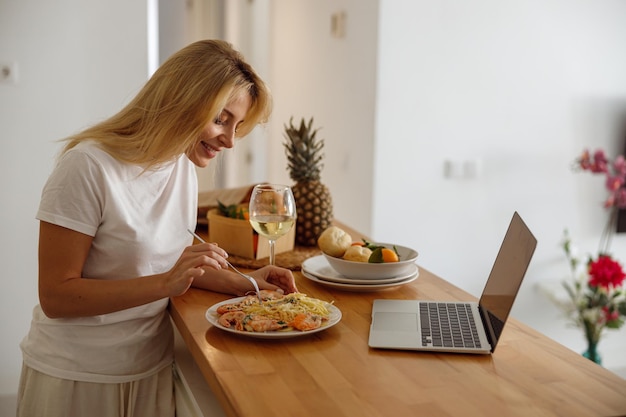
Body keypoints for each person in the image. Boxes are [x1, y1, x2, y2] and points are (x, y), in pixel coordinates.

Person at [17, 39, 298, 417]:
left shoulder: (181, 166)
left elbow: (166, 265)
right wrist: (164, 284)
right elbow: (56, 297)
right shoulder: (87, 167)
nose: (230, 140)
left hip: (151, 366)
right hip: (80, 376)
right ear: (183, 100)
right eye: (221, 119)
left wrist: (245, 283)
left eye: (238, 125)